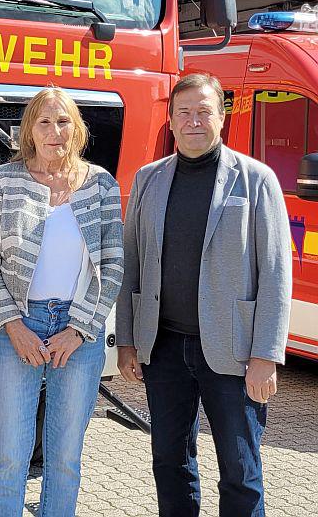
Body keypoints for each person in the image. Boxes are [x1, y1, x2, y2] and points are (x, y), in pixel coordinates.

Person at [116, 73, 292, 517]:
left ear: (221, 116)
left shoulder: (257, 180)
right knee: (170, 463)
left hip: (234, 354)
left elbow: (275, 272)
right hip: (165, 350)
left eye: (204, 111)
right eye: (184, 113)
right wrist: (128, 341)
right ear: (171, 122)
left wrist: (266, 355)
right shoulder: (148, 180)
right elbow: (131, 263)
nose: (194, 121)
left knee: (240, 470)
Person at [0, 87, 124, 516]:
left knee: (64, 459)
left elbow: (112, 265)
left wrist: (78, 329)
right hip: (16, 327)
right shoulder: (3, 180)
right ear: (30, 131)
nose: (55, 131)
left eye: (63, 122)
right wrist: (14, 327)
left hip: (77, 333)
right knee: (9, 457)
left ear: (77, 129)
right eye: (44, 122)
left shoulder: (100, 184)